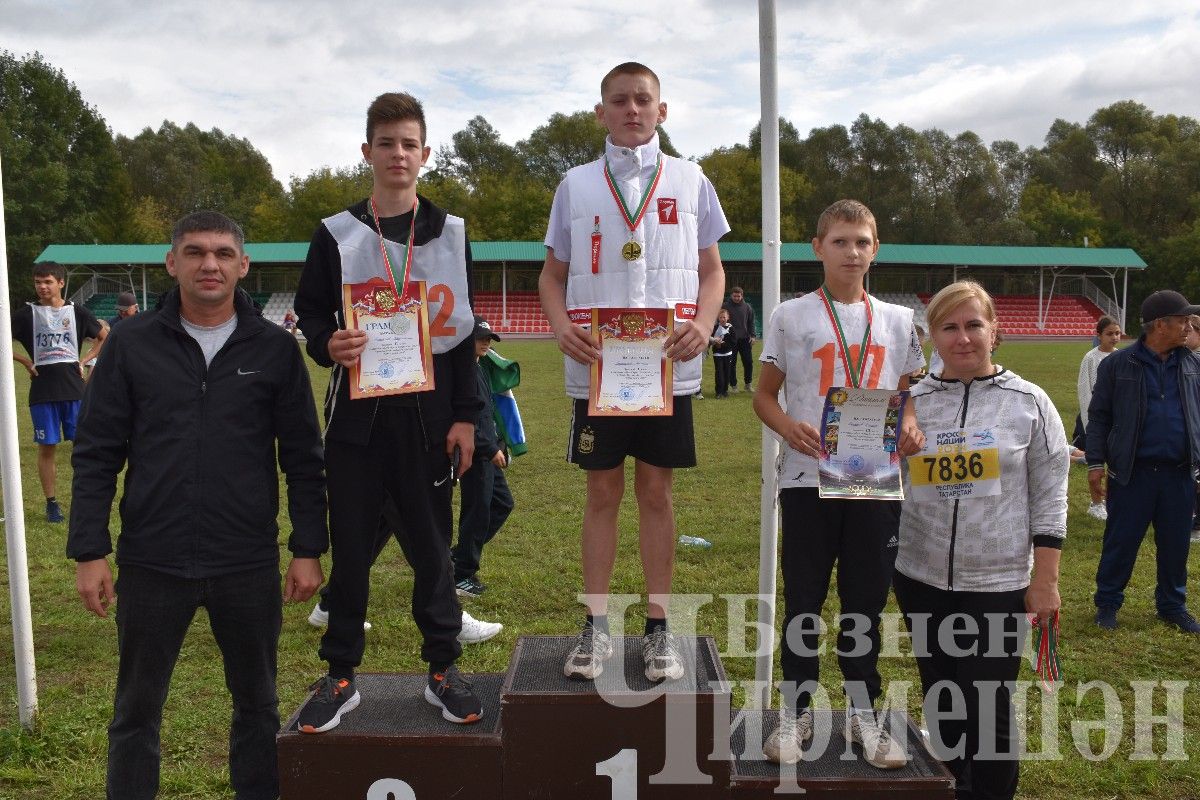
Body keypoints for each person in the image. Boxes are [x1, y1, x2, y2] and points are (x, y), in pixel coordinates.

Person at [67, 211, 328, 800]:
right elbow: (96, 453)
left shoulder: (275, 350)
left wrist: (308, 547)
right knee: (136, 711)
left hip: (246, 560)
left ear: (242, 264)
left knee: (258, 707)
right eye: (194, 252)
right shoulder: (131, 344)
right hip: (151, 561)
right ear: (172, 262)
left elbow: (304, 459)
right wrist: (89, 550)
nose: (208, 263)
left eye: (220, 253)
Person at [295, 91, 485, 732]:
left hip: (429, 421)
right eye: (386, 142)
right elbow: (313, 315)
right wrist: (327, 343)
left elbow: (461, 334)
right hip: (357, 420)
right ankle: (341, 674)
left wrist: (466, 417)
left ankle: (442, 669)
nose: (398, 153)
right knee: (351, 553)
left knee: (433, 551)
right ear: (367, 151)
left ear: (425, 154)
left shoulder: (452, 232)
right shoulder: (336, 233)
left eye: (409, 143)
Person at [538, 61, 729, 682]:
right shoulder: (575, 183)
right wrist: (560, 324)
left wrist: (703, 321)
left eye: (642, 100)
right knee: (601, 494)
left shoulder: (692, 179)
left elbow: (712, 271)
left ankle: (658, 631)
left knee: (656, 494)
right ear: (601, 112)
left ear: (662, 110)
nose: (631, 110)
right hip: (597, 368)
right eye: (619, 101)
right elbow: (552, 276)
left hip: (668, 368)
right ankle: (595, 628)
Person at [753, 199, 925, 769]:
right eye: (841, 241)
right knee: (804, 599)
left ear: (876, 249)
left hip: (874, 477)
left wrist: (909, 424)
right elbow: (763, 394)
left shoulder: (899, 321)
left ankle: (862, 711)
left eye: (863, 242)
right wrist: (788, 429)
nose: (853, 252)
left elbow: (907, 399)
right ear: (817, 247)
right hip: (807, 477)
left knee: (864, 603)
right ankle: (796, 708)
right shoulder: (790, 315)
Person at [894, 280, 1067, 800]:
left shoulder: (1030, 403)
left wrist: (1046, 581)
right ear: (933, 337)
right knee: (942, 698)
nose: (962, 337)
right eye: (949, 327)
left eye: (974, 325)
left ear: (995, 331)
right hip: (920, 577)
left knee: (988, 706)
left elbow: (1050, 495)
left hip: (997, 582)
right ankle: (950, 789)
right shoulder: (909, 402)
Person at [1087, 290, 1200, 634]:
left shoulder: (1193, 365)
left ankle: (1172, 605)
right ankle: (1107, 604)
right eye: (1182, 320)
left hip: (1179, 475)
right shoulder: (1117, 365)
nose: (1189, 326)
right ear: (1160, 325)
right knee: (1121, 541)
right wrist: (1095, 463)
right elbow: (1099, 416)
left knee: (1176, 544)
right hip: (1132, 474)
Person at [307, 497, 504, 645]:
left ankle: (332, 605)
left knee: (376, 526)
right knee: (427, 538)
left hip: (384, 455)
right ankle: (450, 618)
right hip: (393, 455)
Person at [10, 261, 107, 522]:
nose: (42, 287)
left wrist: (85, 360)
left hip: (74, 390)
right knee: (47, 448)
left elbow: (105, 336)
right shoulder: (25, 314)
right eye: (38, 282)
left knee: (82, 448)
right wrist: (26, 361)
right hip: (43, 391)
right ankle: (51, 503)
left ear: (61, 283)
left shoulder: (77, 312)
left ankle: (85, 499)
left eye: (48, 281)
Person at [452, 316, 515, 598]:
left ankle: (460, 554)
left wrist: (499, 443)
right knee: (476, 512)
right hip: (475, 454)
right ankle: (461, 574)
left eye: (489, 338)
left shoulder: (478, 369)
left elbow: (487, 413)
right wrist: (489, 449)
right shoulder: (462, 372)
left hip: (488, 451)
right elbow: (465, 418)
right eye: (480, 338)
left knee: (501, 503)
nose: (486, 342)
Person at [1076, 316, 1122, 521]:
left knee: (1115, 462)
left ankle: (1111, 501)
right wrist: (1089, 421)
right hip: (1097, 419)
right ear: (1099, 335)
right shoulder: (1091, 358)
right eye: (1109, 333)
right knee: (1096, 462)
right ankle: (1095, 504)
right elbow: (1084, 390)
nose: (1114, 337)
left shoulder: (1122, 357)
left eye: (1117, 333)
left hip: (1117, 420)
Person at [722, 286, 755, 391]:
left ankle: (748, 384)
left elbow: (751, 323)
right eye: (735, 296)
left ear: (742, 296)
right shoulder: (725, 307)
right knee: (732, 363)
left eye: (738, 296)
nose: (737, 298)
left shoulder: (748, 307)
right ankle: (733, 385)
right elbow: (721, 321)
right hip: (731, 339)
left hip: (745, 339)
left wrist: (753, 335)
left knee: (748, 362)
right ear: (731, 295)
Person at [710, 307, 736, 398]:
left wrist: (723, 344)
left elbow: (733, 341)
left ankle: (725, 390)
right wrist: (715, 343)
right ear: (718, 318)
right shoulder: (715, 328)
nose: (722, 319)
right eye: (721, 317)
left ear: (727, 317)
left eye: (724, 317)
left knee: (727, 372)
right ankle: (718, 392)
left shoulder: (731, 328)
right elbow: (711, 339)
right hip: (717, 354)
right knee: (719, 372)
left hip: (728, 354)